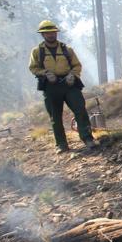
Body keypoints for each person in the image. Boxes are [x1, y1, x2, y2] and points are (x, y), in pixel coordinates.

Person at [28, 20, 96, 153]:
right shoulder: (37, 52)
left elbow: (77, 65)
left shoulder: (67, 49)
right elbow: (33, 68)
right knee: (55, 116)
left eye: (53, 32)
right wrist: (45, 73)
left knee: (80, 110)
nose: (51, 35)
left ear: (56, 33)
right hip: (50, 87)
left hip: (69, 85)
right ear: (42, 35)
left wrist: (73, 75)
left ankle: (88, 139)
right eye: (47, 33)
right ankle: (61, 144)